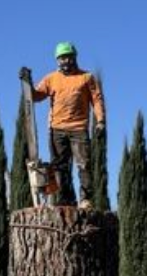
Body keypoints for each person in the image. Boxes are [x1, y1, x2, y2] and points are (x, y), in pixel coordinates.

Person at [19, 42, 105, 208]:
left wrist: (100, 121)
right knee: (60, 168)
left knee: (84, 165)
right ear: (57, 61)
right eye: (61, 58)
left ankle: (85, 199)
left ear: (74, 57)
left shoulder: (86, 77)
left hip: (79, 128)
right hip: (57, 129)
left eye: (68, 57)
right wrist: (27, 83)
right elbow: (36, 96)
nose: (65, 61)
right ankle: (67, 200)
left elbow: (97, 99)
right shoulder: (51, 78)